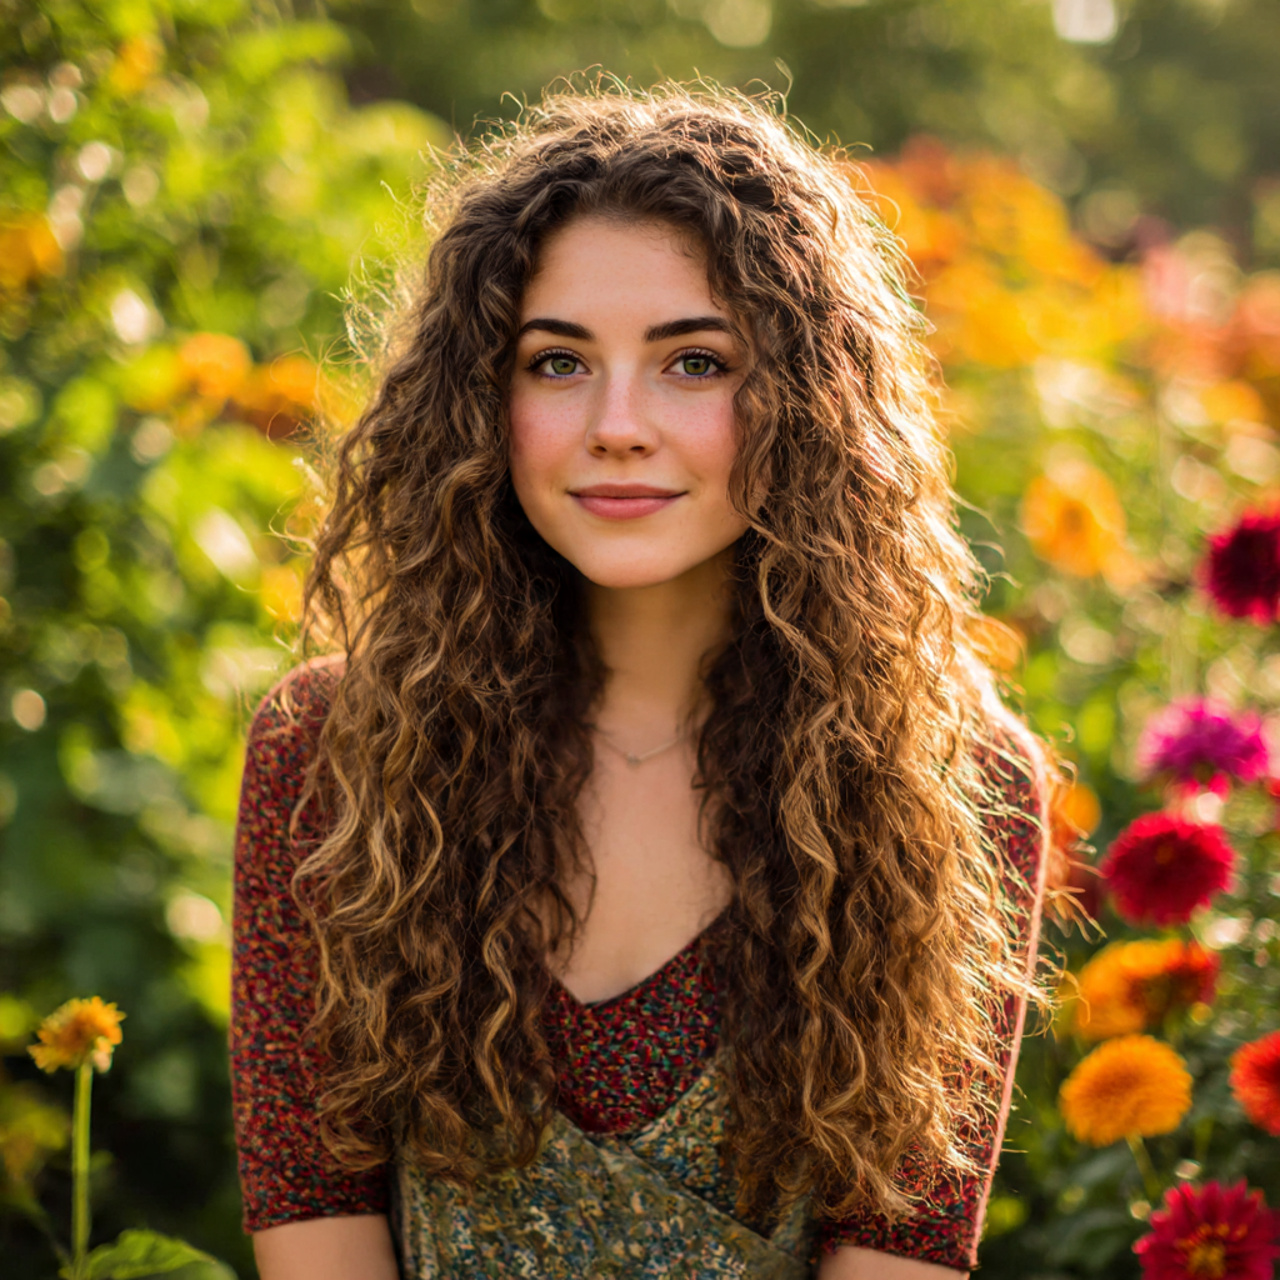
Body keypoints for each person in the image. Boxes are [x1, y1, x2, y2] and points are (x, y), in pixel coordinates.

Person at [230, 83, 1050, 1280]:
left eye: (694, 361)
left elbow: (900, 1248)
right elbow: (311, 1203)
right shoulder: (331, 751)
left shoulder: (950, 791)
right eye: (557, 362)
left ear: (810, 403)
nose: (616, 423)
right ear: (478, 399)